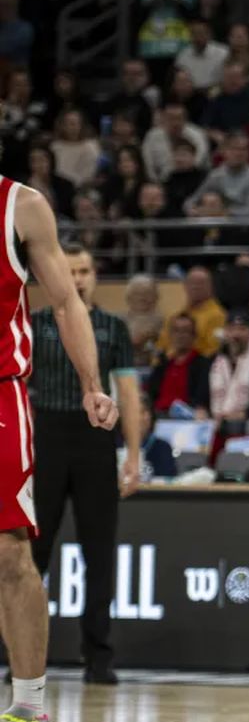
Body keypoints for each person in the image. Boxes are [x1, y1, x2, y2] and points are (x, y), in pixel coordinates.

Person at [0, 176, 120, 722]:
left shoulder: (21, 206)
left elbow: (68, 301)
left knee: (8, 554)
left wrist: (91, 385)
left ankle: (29, 717)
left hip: (0, 400)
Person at [27, 244, 141, 685]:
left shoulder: (112, 328)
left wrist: (132, 454)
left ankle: (98, 655)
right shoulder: (35, 324)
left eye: (86, 270)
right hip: (46, 438)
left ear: (95, 276)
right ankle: (19, 655)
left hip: (96, 438)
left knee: (99, 553)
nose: (78, 278)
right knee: (31, 554)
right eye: (71, 270)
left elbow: (128, 393)